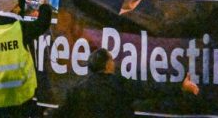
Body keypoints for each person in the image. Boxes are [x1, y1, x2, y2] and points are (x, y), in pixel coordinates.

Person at [54, 47, 199, 117]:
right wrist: (180, 87)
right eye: (112, 59)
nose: (114, 63)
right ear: (107, 64)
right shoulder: (119, 84)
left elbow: (59, 114)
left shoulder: (77, 89)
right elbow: (150, 89)